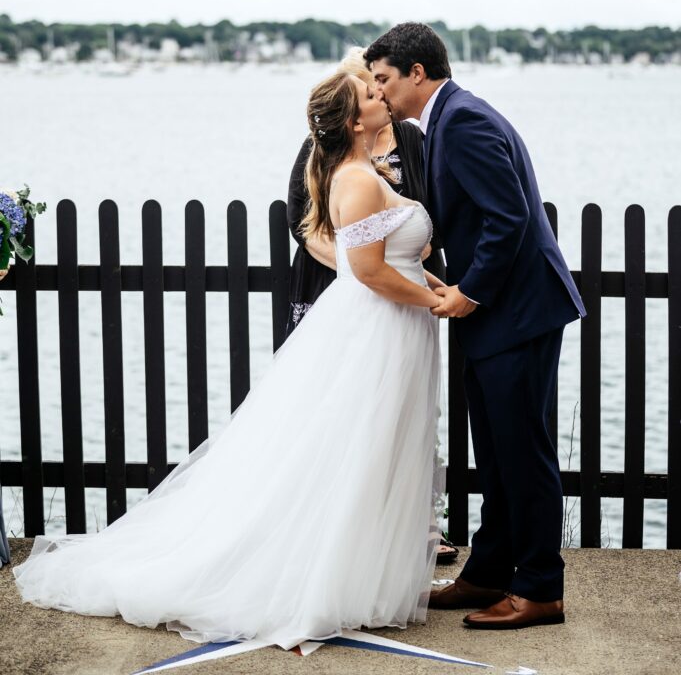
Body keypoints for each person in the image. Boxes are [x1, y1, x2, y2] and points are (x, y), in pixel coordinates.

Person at [15, 72, 446, 650]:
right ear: (353, 121)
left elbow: (388, 258)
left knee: (374, 448)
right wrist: (436, 301)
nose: (382, 99)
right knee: (355, 448)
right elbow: (366, 271)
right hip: (376, 327)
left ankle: (359, 572)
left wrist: (427, 286)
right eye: (371, 96)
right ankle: (320, 581)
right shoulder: (358, 180)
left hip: (390, 325)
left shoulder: (362, 172)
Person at [365, 23, 586, 631]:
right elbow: (471, 220)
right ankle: (488, 573)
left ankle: (540, 589)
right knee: (495, 453)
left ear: (416, 73)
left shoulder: (461, 121)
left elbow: (509, 216)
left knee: (523, 454)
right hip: (501, 314)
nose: (378, 92)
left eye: (383, 79)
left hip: (517, 313)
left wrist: (471, 292)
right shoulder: (444, 121)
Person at [285, 48, 445, 337]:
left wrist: (417, 269)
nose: (382, 94)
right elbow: (300, 218)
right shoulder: (329, 152)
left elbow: (439, 206)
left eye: (381, 85)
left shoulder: (412, 140)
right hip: (343, 288)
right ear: (351, 114)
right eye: (371, 92)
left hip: (404, 292)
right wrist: (355, 269)